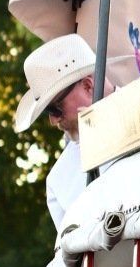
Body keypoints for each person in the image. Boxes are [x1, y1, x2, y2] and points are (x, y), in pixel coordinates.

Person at [14, 33, 107, 229]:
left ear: (88, 86)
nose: (53, 120)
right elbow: (68, 256)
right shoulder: (58, 179)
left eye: (55, 109)